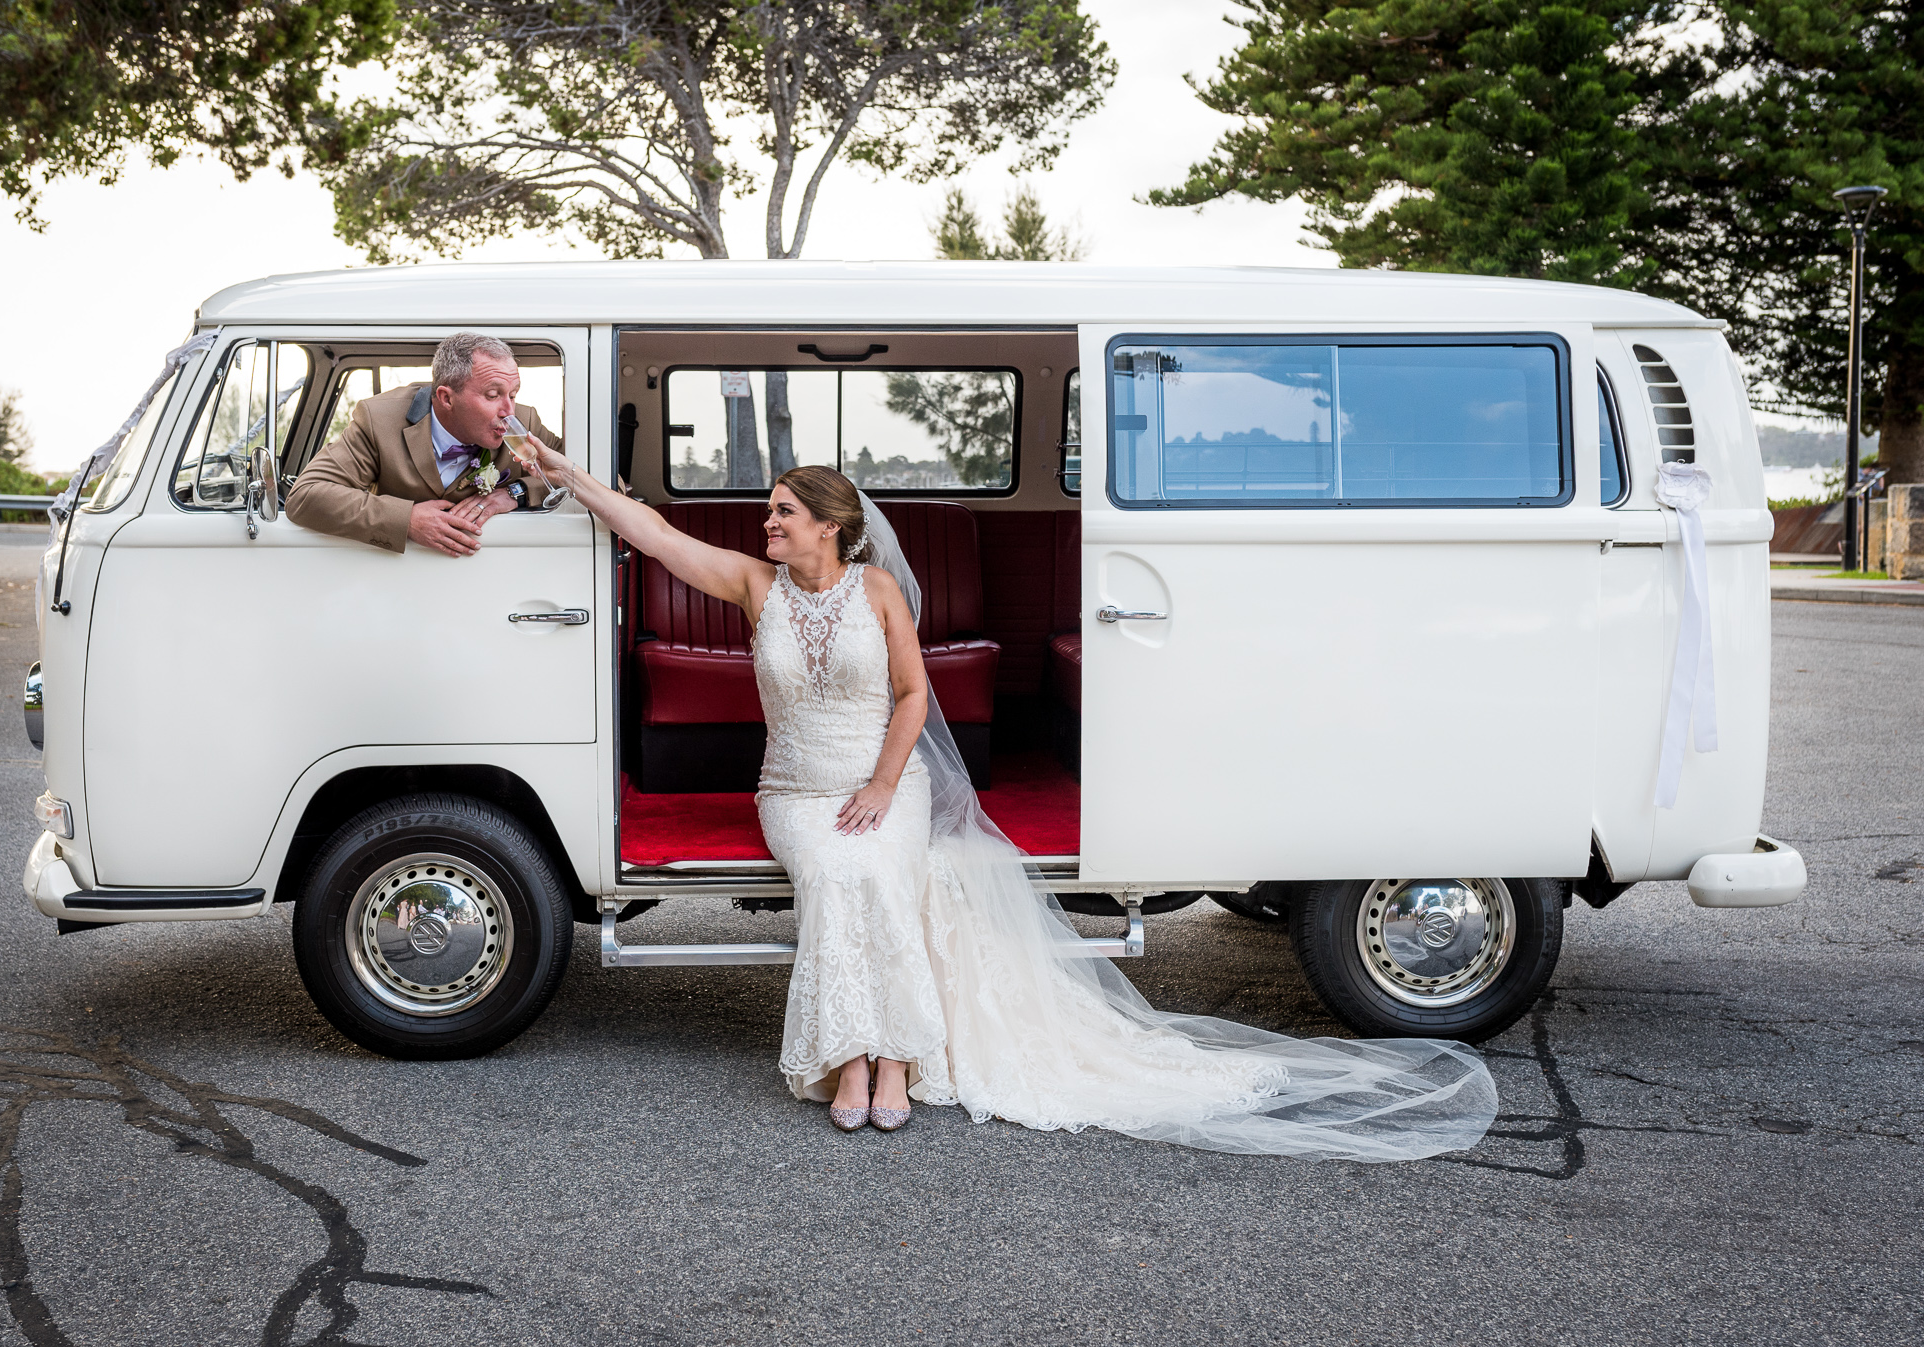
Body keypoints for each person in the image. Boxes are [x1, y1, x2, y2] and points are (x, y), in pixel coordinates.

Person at [519, 443, 1500, 1160]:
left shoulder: (875, 595)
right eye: (768, 512)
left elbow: (912, 695)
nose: (764, 522)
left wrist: (880, 783)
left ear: (827, 522)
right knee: (831, 867)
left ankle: (888, 1061)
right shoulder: (750, 583)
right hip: (792, 789)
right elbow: (647, 529)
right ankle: (847, 1056)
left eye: (781, 510)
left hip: (879, 782)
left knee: (883, 861)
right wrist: (567, 475)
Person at [287, 333, 560, 556]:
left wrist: (515, 492)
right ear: (446, 398)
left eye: (513, 394)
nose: (508, 410)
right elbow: (306, 495)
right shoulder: (379, 420)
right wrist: (406, 520)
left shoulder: (524, 422)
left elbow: (580, 472)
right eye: (492, 395)